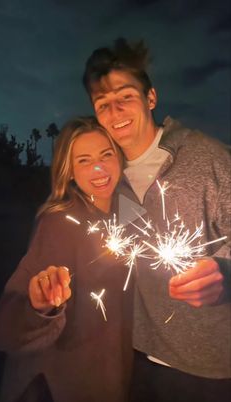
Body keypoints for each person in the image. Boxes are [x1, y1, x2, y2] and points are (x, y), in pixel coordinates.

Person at [82, 38, 231, 402]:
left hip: (208, 368)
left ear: (151, 98)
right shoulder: (107, 177)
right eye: (103, 104)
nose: (115, 112)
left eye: (125, 96)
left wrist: (225, 274)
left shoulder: (207, 156)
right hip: (135, 358)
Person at [0, 116, 134, 402]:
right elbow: (8, 326)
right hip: (60, 383)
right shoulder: (60, 222)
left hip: (110, 375)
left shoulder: (130, 212)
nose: (99, 167)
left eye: (106, 154)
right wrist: (39, 306)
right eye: (84, 160)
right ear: (68, 171)